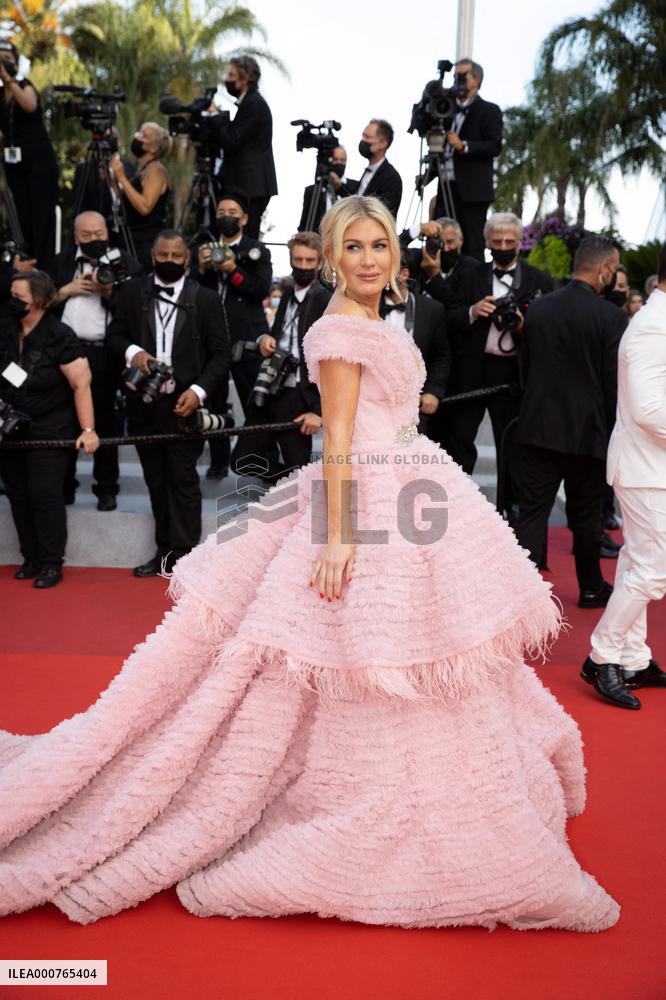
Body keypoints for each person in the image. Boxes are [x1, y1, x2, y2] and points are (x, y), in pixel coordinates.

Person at [0, 196, 619, 933]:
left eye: (379, 245)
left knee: (425, 649)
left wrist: (355, 425)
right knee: (364, 650)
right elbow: (340, 448)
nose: (367, 259)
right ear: (330, 256)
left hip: (410, 479)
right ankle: (367, 791)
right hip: (367, 493)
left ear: (394, 253)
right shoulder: (336, 329)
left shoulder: (373, 320)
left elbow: (350, 418)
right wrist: (336, 536)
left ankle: (427, 779)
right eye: (352, 247)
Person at [106, 230, 231, 576]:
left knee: (184, 480)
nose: (170, 261)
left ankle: (186, 557)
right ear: (152, 256)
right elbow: (114, 336)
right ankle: (164, 552)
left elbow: (221, 355)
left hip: (185, 404)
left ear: (188, 259)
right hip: (144, 402)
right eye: (164, 255)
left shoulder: (204, 298)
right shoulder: (132, 291)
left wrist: (198, 392)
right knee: (155, 480)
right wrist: (135, 353)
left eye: (177, 256)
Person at [514, 236, 626, 608]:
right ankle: (591, 587)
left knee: (532, 513)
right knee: (586, 515)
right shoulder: (610, 316)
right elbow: (613, 383)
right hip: (587, 433)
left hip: (538, 425)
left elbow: (526, 368)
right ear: (604, 270)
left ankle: (523, 596)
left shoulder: (540, 308)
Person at [581, 246, 666, 709]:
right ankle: (603, 655)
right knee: (654, 572)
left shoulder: (656, 322)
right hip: (646, 469)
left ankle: (632, 657)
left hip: (649, 467)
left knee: (638, 563)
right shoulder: (654, 328)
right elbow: (650, 410)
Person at [439, 212, 554, 518]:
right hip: (473, 371)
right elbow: (446, 319)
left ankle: (510, 508)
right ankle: (455, 504)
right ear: (487, 242)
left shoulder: (540, 281)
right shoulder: (469, 276)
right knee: (461, 438)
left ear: (520, 243)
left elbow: (549, 332)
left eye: (509, 241)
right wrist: (472, 311)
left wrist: (522, 326)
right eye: (497, 241)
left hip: (513, 373)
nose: (503, 246)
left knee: (512, 443)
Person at [0, 270, 99, 588]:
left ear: (39, 301)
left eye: (20, 298)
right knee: (17, 493)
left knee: (44, 493)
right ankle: (30, 558)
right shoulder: (6, 328)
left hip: (51, 427)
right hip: (11, 426)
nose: (13, 302)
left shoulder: (59, 335)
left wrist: (87, 428)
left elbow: (81, 384)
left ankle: (51, 563)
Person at [51, 210, 144, 510]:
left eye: (100, 233)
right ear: (76, 236)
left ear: (108, 232)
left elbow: (137, 303)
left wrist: (108, 292)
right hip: (63, 352)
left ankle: (107, 487)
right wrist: (66, 291)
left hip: (105, 353)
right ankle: (63, 486)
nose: (95, 239)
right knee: (62, 420)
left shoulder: (123, 261)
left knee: (106, 421)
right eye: (87, 235)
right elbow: (37, 300)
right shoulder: (61, 261)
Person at [230, 231, 331, 482]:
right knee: (242, 460)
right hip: (270, 388)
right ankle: (291, 483)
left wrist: (319, 411)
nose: (304, 266)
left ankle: (297, 489)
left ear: (319, 263)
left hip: (299, 395)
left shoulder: (324, 299)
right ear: (291, 260)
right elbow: (278, 336)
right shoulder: (286, 296)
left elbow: (332, 359)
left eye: (310, 261)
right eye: (299, 260)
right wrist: (264, 339)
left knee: (298, 465)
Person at [194, 187, 272, 478]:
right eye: (221, 213)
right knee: (213, 403)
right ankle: (218, 461)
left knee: (255, 399)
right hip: (211, 339)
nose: (226, 218)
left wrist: (231, 268)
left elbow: (260, 289)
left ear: (244, 218)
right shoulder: (205, 248)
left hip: (248, 338)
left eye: (232, 214)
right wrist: (203, 268)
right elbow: (193, 289)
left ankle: (262, 459)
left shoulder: (257, 250)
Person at [435, 58, 503, 262]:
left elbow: (495, 145)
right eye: (455, 76)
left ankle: (474, 290)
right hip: (446, 187)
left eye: (463, 76)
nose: (457, 81)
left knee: (472, 245)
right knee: (441, 240)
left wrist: (464, 145)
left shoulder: (489, 110)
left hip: (472, 191)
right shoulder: (447, 109)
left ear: (477, 79)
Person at [0, 40, 58, 272]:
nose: (3, 61)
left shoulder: (24, 85)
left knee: (41, 215)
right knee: (22, 214)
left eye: (7, 57)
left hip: (38, 158)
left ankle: (44, 269)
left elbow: (29, 105)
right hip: (14, 162)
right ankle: (25, 262)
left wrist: (8, 79)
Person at [380, 246, 450, 435]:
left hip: (413, 405)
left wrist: (433, 391)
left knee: (406, 456)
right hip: (371, 405)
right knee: (371, 460)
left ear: (404, 274)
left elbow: (441, 356)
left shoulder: (431, 309)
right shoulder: (363, 307)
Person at [213, 55, 278, 239]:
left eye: (231, 74)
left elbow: (232, 141)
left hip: (249, 186)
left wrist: (217, 117)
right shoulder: (250, 103)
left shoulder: (253, 103)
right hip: (249, 184)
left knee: (246, 238)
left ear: (246, 77)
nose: (226, 79)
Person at [109, 122, 170, 271]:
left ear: (153, 147)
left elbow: (144, 207)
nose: (137, 137)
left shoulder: (155, 170)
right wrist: (113, 178)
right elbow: (128, 199)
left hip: (144, 243)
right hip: (132, 239)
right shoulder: (143, 169)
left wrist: (122, 178)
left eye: (143, 135)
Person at [336, 119, 402, 217]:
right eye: (363, 136)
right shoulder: (370, 171)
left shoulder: (391, 178)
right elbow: (358, 196)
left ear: (383, 143)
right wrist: (338, 184)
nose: (363, 140)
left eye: (368, 137)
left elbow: (381, 214)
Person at [298, 146, 347, 233]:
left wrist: (339, 185)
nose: (339, 163)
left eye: (342, 160)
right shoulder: (312, 191)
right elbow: (304, 224)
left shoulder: (354, 186)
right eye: (335, 159)